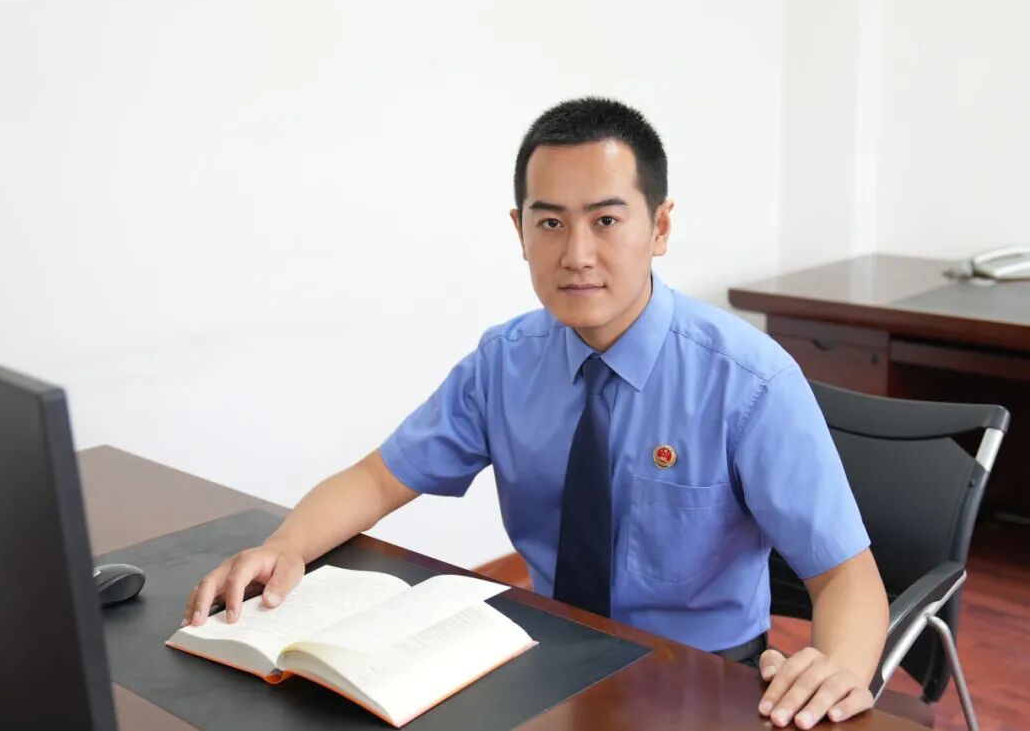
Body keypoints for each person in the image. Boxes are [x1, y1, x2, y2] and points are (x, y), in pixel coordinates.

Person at [183, 97, 889, 729]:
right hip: (548, 658)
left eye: (606, 220)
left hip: (700, 680)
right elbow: (377, 478)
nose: (576, 254)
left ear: (660, 226)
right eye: (550, 222)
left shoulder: (748, 381)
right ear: (520, 230)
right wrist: (288, 545)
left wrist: (840, 668)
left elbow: (846, 576)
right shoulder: (505, 362)